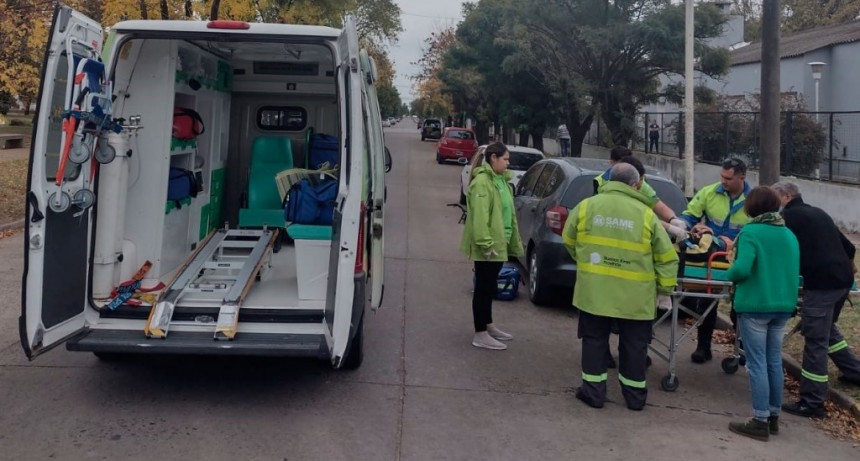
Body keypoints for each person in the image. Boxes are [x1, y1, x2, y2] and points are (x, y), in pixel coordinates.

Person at [562, 162, 678, 410]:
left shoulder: (586, 207)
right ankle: (635, 398)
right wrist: (665, 290)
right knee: (634, 346)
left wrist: (587, 263)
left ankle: (593, 393)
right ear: (636, 184)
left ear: (608, 180)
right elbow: (667, 257)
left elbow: (569, 239)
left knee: (594, 341)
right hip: (636, 297)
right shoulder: (646, 214)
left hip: (595, 291)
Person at [772, 181, 860, 419]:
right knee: (826, 330)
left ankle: (812, 402)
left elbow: (780, 253)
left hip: (822, 283)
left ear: (787, 196)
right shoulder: (818, 212)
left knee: (815, 340)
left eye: (774, 198)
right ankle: (854, 372)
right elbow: (849, 248)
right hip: (841, 280)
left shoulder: (788, 218)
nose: (773, 204)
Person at [723, 186, 800, 441]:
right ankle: (773, 416)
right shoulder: (788, 234)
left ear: (751, 207)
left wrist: (728, 273)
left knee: (756, 364)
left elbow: (742, 269)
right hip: (783, 306)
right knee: (773, 361)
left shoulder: (751, 232)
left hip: (755, 305)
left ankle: (759, 420)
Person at [677, 157, 752, 363]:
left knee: (741, 309)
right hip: (710, 261)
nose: (723, 181)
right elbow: (689, 215)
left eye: (728, 178)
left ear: (742, 177)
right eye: (722, 176)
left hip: (741, 260)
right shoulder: (709, 192)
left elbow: (759, 231)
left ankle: (743, 350)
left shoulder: (753, 199)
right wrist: (686, 227)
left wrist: (735, 242)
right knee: (706, 305)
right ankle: (703, 347)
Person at [460, 142, 525, 350]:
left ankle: (488, 326)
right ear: (493, 158)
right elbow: (480, 217)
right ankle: (480, 333)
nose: (508, 163)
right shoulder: (482, 182)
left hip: (499, 243)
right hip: (488, 246)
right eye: (505, 159)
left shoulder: (500, 180)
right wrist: (486, 244)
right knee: (483, 288)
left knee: (489, 288)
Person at [595, 147, 687, 242]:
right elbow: (636, 217)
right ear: (632, 179)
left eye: (642, 179)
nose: (641, 183)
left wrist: (673, 219)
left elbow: (656, 203)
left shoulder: (641, 185)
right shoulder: (603, 184)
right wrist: (669, 227)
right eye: (640, 179)